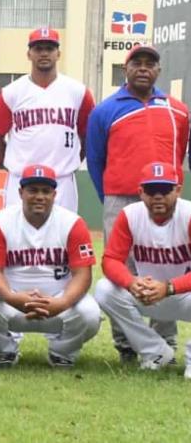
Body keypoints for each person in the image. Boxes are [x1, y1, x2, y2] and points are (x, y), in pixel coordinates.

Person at [86, 44, 188, 362]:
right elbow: (95, 158)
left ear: (158, 71)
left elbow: (180, 152)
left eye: (150, 64)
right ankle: (128, 345)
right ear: (125, 69)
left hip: (167, 196)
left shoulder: (178, 110)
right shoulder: (105, 109)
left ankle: (164, 341)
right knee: (123, 270)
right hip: (121, 195)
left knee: (166, 265)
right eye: (137, 63)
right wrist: (110, 198)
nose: (143, 68)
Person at [0, 164, 100, 368]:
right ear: (20, 192)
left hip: (59, 301)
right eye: (33, 190)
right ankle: (5, 350)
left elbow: (83, 275)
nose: (39, 196)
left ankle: (62, 352)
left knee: (90, 314)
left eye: (45, 191)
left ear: (54, 194)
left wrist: (62, 302)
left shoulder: (72, 223)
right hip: (12, 300)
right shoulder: (0, 221)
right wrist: (11, 297)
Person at [95, 162, 191, 378]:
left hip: (184, 295)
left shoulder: (188, 215)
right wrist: (131, 282)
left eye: (165, 190)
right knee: (104, 290)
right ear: (140, 192)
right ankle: (155, 351)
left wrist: (169, 287)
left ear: (177, 190)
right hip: (146, 293)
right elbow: (111, 259)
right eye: (151, 190)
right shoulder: (130, 215)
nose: (158, 196)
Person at [0, 27, 95, 211]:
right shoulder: (11, 93)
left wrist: (73, 160)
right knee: (16, 238)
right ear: (29, 54)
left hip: (61, 180)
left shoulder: (78, 92)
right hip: (21, 181)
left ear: (58, 53)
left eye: (49, 48)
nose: (44, 53)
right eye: (38, 49)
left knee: (63, 238)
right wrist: (9, 161)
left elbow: (88, 135)